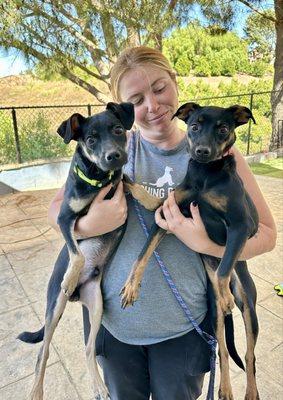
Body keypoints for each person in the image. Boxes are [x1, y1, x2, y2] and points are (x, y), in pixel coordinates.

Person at [48, 46, 277, 400]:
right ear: (123, 109)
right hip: (116, 326)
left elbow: (267, 235)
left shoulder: (222, 155)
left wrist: (206, 244)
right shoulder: (113, 150)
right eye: (137, 99)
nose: (152, 106)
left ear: (174, 82)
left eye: (159, 88)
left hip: (183, 329)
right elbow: (58, 210)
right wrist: (88, 225)